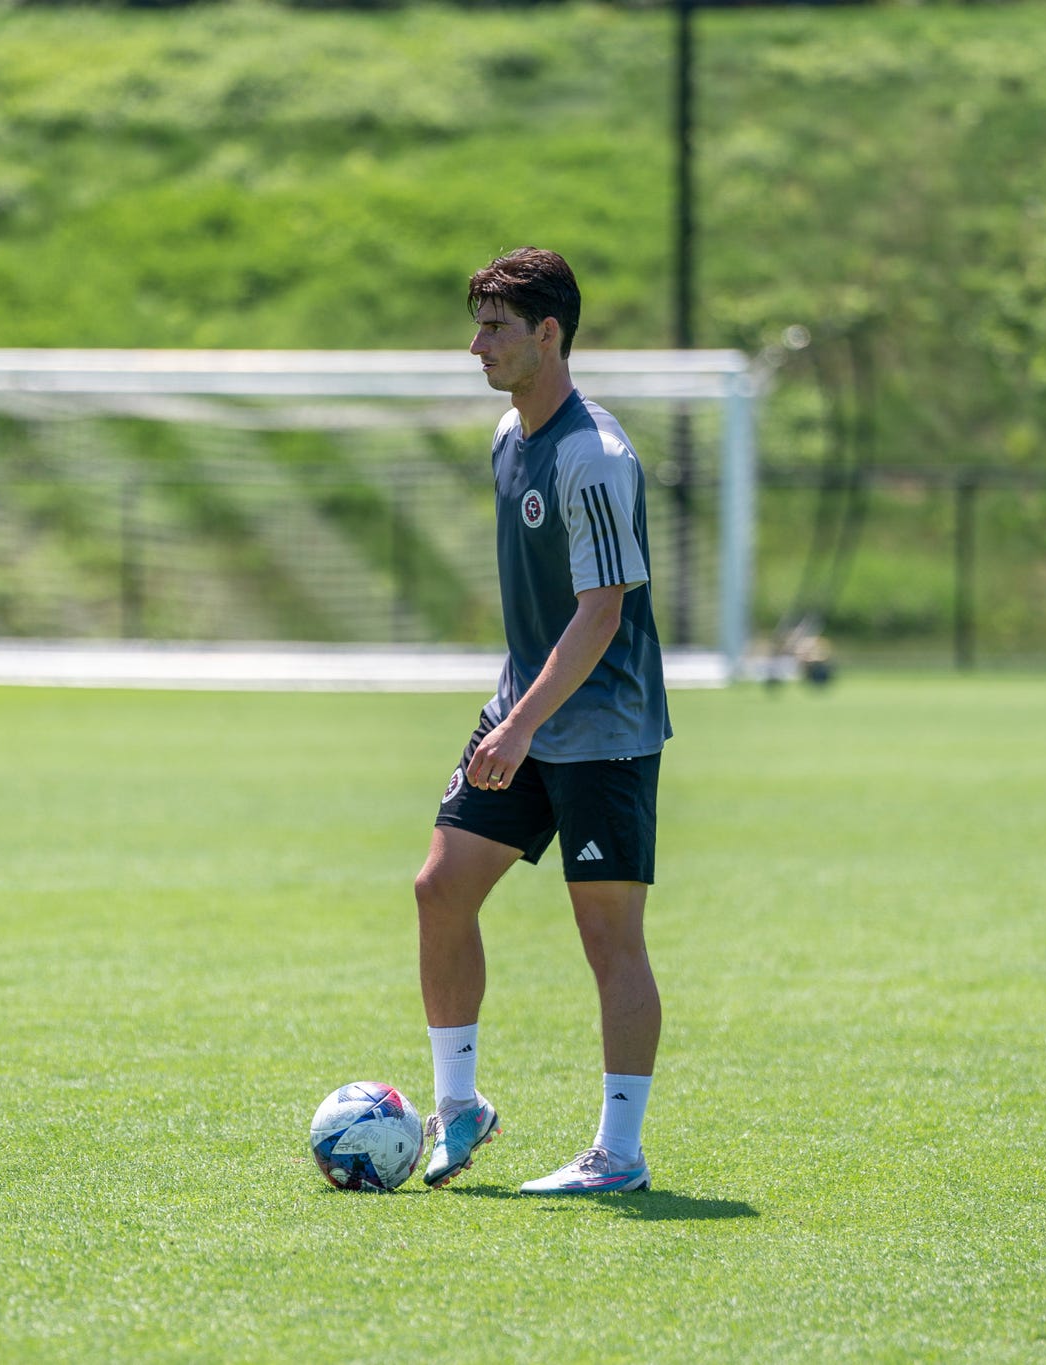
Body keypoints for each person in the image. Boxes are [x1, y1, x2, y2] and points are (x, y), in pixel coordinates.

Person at [415, 247, 670, 1195]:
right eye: (477, 323)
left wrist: (518, 726)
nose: (476, 343)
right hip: (523, 712)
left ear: (549, 333)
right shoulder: (505, 437)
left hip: (602, 731)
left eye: (495, 326)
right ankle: (460, 1106)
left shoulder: (594, 458)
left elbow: (602, 613)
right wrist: (513, 715)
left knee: (610, 942)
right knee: (440, 888)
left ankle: (620, 1152)